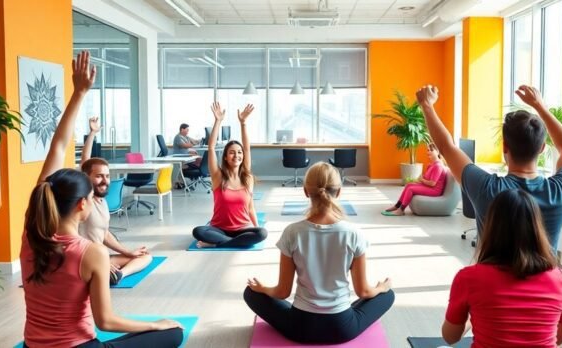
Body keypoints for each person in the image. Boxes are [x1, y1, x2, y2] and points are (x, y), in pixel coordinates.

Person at [21, 51, 183, 347]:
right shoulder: (89, 252)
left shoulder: (31, 235)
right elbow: (106, 322)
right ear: (83, 205)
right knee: (173, 332)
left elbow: (57, 147)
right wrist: (155, 324)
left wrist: (78, 93)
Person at [243, 162, 395, 344]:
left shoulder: (292, 232)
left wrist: (263, 289)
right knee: (388, 294)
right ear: (339, 192)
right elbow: (363, 291)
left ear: (306, 191)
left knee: (250, 293)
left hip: (300, 327)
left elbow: (282, 292)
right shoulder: (354, 234)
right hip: (342, 328)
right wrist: (381, 288)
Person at [415, 84, 562, 249]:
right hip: (545, 276)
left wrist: (427, 105)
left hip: (491, 276)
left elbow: (445, 147)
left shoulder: (487, 188)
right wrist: (540, 106)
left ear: (504, 147)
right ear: (542, 148)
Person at [442, 189, 562, 347]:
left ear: (491, 227)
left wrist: (470, 321)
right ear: (537, 228)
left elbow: (450, 337)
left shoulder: (468, 278)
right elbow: (559, 338)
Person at [80, 117, 153, 286]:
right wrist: (92, 133)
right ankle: (105, 270)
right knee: (109, 260)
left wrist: (128, 252)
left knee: (145, 256)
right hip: (84, 260)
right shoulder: (85, 199)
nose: (105, 180)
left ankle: (119, 274)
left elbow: (104, 234)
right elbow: (85, 160)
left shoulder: (102, 202)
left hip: (100, 257)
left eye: (107, 176)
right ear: (86, 178)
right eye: (98, 176)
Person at [191, 102, 267, 248]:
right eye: (232, 152)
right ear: (225, 156)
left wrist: (243, 123)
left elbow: (251, 208)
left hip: (243, 229)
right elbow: (211, 148)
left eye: (239, 152)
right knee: (198, 231)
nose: (236, 155)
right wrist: (218, 121)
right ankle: (227, 242)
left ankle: (215, 244)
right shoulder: (218, 176)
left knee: (262, 233)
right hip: (219, 229)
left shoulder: (247, 178)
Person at [382, 143, 448, 216]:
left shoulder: (438, 166)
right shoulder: (432, 164)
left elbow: (433, 183)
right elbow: (427, 178)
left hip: (435, 190)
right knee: (408, 185)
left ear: (437, 152)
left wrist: (422, 180)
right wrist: (421, 178)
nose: (428, 152)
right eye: (428, 150)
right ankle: (397, 206)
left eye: (431, 150)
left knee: (411, 189)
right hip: (429, 187)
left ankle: (401, 210)